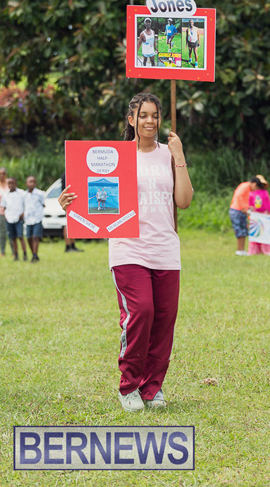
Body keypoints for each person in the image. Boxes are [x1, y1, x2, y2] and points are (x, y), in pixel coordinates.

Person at [59, 92, 193, 411]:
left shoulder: (168, 153)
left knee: (164, 320)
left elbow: (184, 200)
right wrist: (69, 205)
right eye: (143, 115)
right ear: (131, 120)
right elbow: (91, 196)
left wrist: (179, 155)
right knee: (142, 312)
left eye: (154, 115)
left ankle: (152, 388)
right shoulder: (112, 156)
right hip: (128, 248)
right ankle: (129, 385)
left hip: (165, 249)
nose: (150, 121)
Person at [1, 177, 28, 261]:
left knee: (20, 237)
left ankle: (25, 254)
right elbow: (4, 207)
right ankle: (16, 254)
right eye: (9, 183)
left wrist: (22, 214)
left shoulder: (21, 193)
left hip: (18, 218)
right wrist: (6, 216)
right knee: (12, 238)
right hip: (9, 218)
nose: (10, 185)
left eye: (12, 183)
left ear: (16, 184)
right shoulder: (5, 195)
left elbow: (26, 205)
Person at [248, 175, 270, 256]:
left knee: (264, 232)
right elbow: (250, 204)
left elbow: (268, 205)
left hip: (264, 215)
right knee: (254, 232)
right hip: (255, 215)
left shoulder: (265, 193)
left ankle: (266, 250)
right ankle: (254, 250)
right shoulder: (251, 194)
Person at [23, 175, 46, 263]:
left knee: (35, 237)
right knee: (29, 237)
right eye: (30, 181)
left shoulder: (39, 194)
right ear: (26, 183)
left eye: (34, 182)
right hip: (28, 219)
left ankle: (35, 255)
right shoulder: (24, 195)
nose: (32, 183)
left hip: (37, 218)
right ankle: (33, 253)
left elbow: (43, 204)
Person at [229, 179, 253, 256]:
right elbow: (239, 196)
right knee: (239, 231)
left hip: (241, 211)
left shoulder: (247, 187)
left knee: (243, 231)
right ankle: (239, 250)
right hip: (237, 210)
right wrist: (243, 208)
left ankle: (242, 250)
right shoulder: (245, 186)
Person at [60, 171, 83, 253]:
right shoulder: (67, 174)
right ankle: (68, 246)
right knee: (67, 224)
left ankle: (72, 245)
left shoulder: (67, 174)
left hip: (69, 201)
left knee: (71, 224)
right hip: (68, 202)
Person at [0, 167, 8, 256]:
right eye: (0, 174)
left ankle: (15, 252)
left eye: (3, 174)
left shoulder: (9, 184)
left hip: (10, 212)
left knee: (11, 233)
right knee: (2, 232)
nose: (1, 176)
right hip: (1, 213)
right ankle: (2, 251)